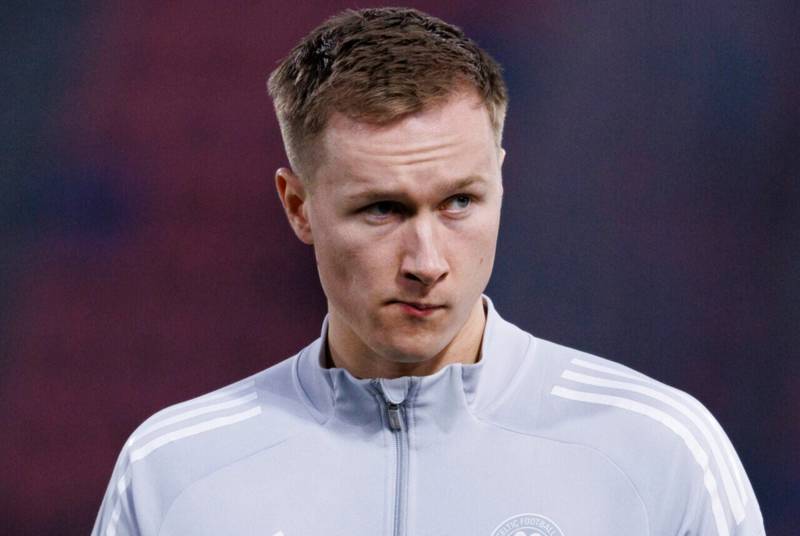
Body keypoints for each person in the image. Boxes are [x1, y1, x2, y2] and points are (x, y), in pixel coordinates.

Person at [92, 7, 765, 536]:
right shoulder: (173, 472)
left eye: (460, 203)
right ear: (299, 206)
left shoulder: (660, 450)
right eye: (381, 210)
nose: (427, 263)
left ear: (501, 179)